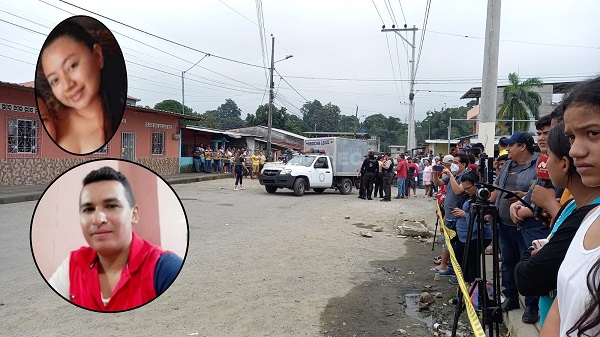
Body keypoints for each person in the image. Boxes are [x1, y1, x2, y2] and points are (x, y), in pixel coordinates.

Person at [48, 167, 182, 311]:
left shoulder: (164, 269)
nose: (98, 219)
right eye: (88, 209)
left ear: (134, 214)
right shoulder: (73, 265)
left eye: (111, 206)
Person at [514, 122, 600, 326]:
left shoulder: (590, 215)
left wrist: (531, 253)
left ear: (563, 163)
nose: (544, 163)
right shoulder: (571, 205)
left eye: (548, 156)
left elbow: (528, 278)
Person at [539, 75, 600, 337]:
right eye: (572, 137)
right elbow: (562, 306)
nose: (575, 151)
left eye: (593, 133)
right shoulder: (590, 217)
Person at [38, 18, 125, 154]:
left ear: (97, 56)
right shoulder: (49, 123)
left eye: (72, 66)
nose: (67, 85)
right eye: (55, 80)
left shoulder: (119, 115)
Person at [489, 130, 541, 323]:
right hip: (504, 223)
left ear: (522, 146)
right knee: (508, 262)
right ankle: (510, 297)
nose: (507, 148)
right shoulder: (508, 165)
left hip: (527, 226)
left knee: (528, 264)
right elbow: (496, 188)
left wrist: (523, 195)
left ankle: (531, 305)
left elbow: (543, 192)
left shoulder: (538, 166)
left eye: (511, 145)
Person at [449, 171, 493, 285]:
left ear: (476, 185)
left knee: (472, 264)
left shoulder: (480, 199)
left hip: (474, 237)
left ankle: (472, 290)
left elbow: (479, 222)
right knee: (463, 261)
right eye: (464, 188)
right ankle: (465, 288)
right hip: (463, 235)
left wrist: (465, 214)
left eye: (468, 188)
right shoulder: (467, 197)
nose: (466, 191)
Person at [431, 154, 469, 276]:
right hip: (449, 214)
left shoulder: (465, 177)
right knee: (446, 242)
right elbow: (439, 183)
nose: (453, 164)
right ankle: (446, 265)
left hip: (456, 216)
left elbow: (458, 191)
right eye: (452, 162)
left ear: (463, 165)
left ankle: (450, 268)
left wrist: (451, 175)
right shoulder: (455, 175)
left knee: (452, 244)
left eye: (456, 162)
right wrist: (434, 173)